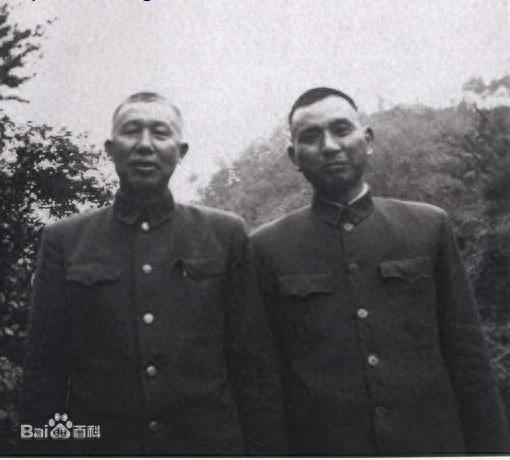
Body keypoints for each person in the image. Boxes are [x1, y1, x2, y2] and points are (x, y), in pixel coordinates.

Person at [19, 92, 287, 455]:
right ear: (110, 149)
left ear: (181, 151)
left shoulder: (225, 234)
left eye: (160, 133)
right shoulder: (65, 240)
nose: (145, 145)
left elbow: (253, 367)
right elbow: (43, 374)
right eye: (132, 131)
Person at [250, 87, 510, 455]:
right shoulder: (265, 248)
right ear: (294, 156)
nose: (329, 146)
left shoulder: (428, 226)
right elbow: (264, 384)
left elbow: (468, 359)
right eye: (311, 136)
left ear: (367, 140)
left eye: (341, 129)